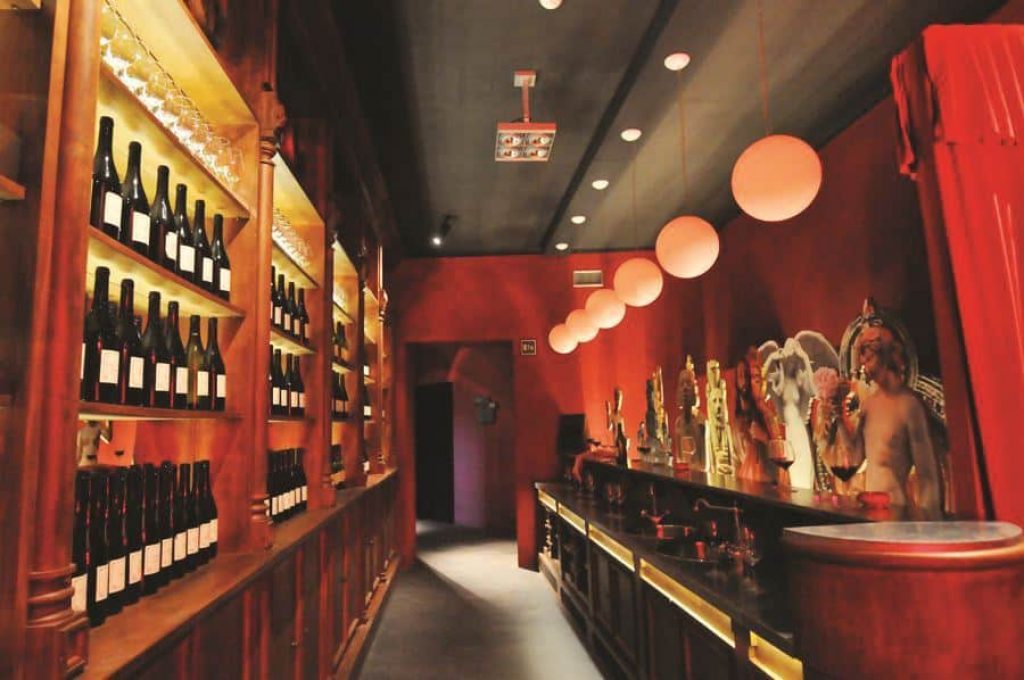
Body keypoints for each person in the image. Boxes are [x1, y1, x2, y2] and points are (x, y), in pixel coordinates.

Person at [841, 324, 940, 514]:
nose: (862, 363)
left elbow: (928, 476)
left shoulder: (909, 406)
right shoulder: (869, 404)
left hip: (896, 512)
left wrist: (929, 521)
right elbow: (853, 460)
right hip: (870, 513)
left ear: (884, 355)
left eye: (867, 355)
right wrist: (838, 416)